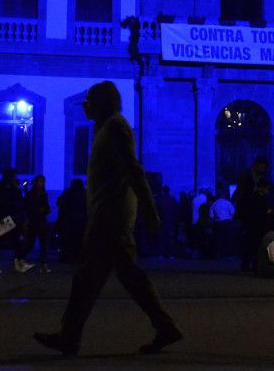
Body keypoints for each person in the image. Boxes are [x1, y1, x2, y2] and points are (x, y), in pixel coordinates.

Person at [34, 81, 181, 357]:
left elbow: (134, 170)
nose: (85, 104)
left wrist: (150, 209)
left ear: (103, 102)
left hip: (111, 217)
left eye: (90, 100)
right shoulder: (105, 128)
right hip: (105, 214)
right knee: (96, 278)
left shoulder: (115, 127)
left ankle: (71, 336)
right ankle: (72, 336)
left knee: (108, 278)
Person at [234, 156, 274, 272]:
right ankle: (246, 263)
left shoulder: (265, 178)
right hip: (248, 213)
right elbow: (241, 194)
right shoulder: (245, 177)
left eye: (265, 168)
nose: (263, 169)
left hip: (260, 214)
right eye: (261, 167)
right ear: (256, 165)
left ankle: (256, 263)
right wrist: (255, 192)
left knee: (257, 239)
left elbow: (269, 192)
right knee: (247, 239)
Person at [0, 170, 31, 275]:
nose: (15, 178)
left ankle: (18, 263)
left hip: (7, 217)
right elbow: (9, 203)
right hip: (6, 218)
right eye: (14, 176)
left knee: (13, 241)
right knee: (3, 242)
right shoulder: (5, 188)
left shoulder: (4, 188)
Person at [22, 175, 52, 273]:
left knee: (44, 244)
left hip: (42, 221)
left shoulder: (44, 194)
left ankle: (43, 265)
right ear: (36, 182)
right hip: (33, 222)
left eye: (43, 181)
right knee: (30, 244)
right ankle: (20, 259)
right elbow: (28, 208)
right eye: (40, 181)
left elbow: (47, 207)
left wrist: (45, 210)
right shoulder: (31, 194)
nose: (42, 183)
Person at [56, 179, 87, 263]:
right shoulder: (83, 193)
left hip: (69, 221)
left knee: (68, 241)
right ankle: (76, 257)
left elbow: (59, 202)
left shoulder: (68, 192)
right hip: (79, 221)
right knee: (77, 241)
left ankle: (66, 257)